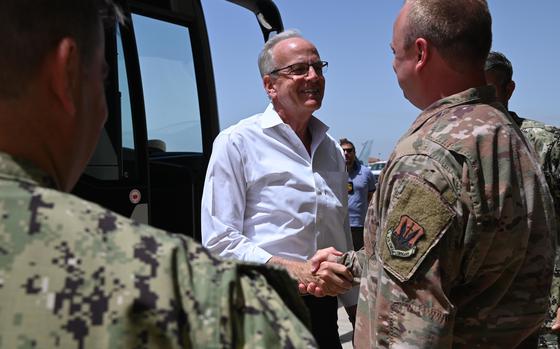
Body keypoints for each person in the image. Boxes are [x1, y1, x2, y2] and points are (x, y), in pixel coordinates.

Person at [0, 1, 319, 348]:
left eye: (318, 67)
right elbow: (222, 240)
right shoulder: (183, 291)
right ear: (67, 74)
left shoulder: (325, 145)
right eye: (103, 76)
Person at [304, 0, 556, 347]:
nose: (393, 65)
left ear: (420, 53)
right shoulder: (507, 136)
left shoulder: (429, 158)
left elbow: (407, 328)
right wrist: (353, 265)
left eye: (395, 53)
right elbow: (461, 259)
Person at [201, 29, 353, 348]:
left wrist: (355, 308)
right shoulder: (237, 143)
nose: (313, 76)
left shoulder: (332, 151)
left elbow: (338, 231)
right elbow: (218, 241)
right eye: (299, 69)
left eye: (318, 67)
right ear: (270, 85)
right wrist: (297, 272)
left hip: (323, 314)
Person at [485, 50, 560, 348]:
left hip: (545, 311)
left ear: (509, 90)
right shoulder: (456, 153)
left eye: (488, 91)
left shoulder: (545, 144)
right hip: (482, 318)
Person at [340, 138, 376, 251]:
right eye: (343, 151)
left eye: (349, 151)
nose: (346, 153)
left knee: (359, 259)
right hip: (339, 224)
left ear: (354, 153)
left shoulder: (366, 173)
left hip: (360, 225)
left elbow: (371, 198)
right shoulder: (333, 172)